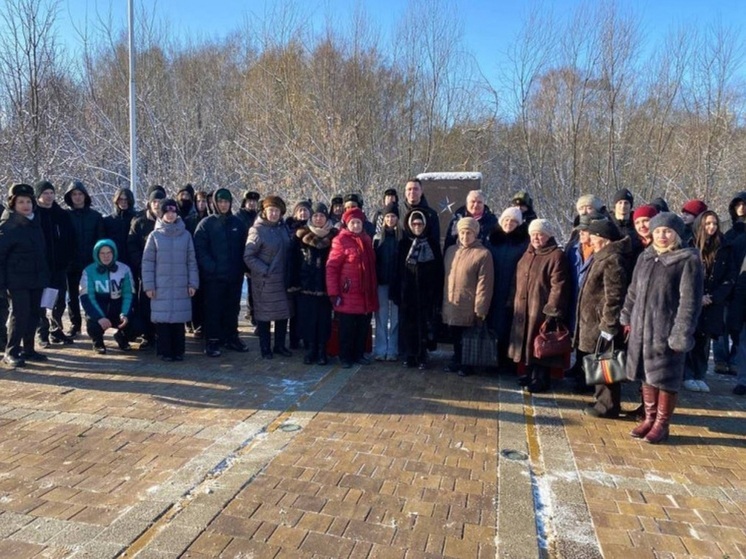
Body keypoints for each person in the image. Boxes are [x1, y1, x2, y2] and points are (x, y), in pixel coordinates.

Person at [621, 213, 703, 444]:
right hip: (641, 330)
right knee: (647, 375)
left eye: (667, 231)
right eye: (658, 231)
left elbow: (690, 302)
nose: (662, 235)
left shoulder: (687, 260)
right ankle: (649, 418)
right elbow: (633, 291)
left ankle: (662, 424)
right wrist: (627, 315)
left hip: (666, 332)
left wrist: (680, 334)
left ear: (676, 234)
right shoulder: (646, 257)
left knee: (666, 378)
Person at [575, 219, 631, 418]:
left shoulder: (612, 259)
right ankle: (602, 401)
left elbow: (614, 295)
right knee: (598, 361)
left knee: (605, 362)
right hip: (594, 321)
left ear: (604, 239)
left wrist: (608, 324)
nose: (590, 240)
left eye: (593, 237)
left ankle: (607, 406)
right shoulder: (602, 256)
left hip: (603, 323)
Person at [508, 219, 570, 393]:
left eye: (540, 234)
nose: (536, 237)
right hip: (524, 306)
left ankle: (541, 379)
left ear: (548, 236)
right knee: (527, 343)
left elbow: (559, 285)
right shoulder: (527, 253)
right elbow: (517, 279)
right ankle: (528, 374)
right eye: (533, 234)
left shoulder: (556, 256)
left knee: (541, 345)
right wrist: (512, 300)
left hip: (541, 308)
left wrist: (552, 309)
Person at [141, 199, 199, 361]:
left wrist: (193, 283)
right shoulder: (154, 236)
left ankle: (179, 351)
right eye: (167, 212)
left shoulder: (186, 235)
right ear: (161, 214)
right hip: (161, 286)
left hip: (181, 285)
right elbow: (147, 263)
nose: (171, 215)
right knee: (163, 320)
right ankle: (164, 351)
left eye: (173, 212)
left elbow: (191, 261)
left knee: (179, 320)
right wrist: (149, 286)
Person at [194, 188, 250, 357]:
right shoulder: (206, 224)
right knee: (213, 309)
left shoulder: (238, 224)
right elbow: (200, 250)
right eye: (220, 202)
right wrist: (212, 268)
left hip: (234, 276)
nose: (224, 205)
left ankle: (231, 337)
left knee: (232, 309)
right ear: (215, 203)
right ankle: (212, 341)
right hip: (213, 278)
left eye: (226, 202)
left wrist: (242, 268)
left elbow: (245, 248)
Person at [683, 211, 734, 392]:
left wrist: (714, 297)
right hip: (693, 299)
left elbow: (729, 277)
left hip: (713, 302)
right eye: (708, 224)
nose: (711, 227)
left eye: (714, 223)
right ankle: (687, 374)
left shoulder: (724, 247)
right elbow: (685, 275)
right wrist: (698, 296)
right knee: (690, 336)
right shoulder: (690, 245)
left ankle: (700, 374)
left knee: (705, 340)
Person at [0, 184, 50, 367]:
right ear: (13, 204)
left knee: (34, 314)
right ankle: (11, 351)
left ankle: (29, 349)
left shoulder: (35, 222)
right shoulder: (8, 225)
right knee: (19, 315)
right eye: (21, 202)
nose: (25, 205)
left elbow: (41, 251)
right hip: (17, 280)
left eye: (28, 201)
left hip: (36, 278)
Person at [326, 207, 378, 368]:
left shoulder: (367, 239)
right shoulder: (340, 240)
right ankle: (345, 356)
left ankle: (359, 354)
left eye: (358, 222)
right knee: (347, 329)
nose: (356, 226)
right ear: (347, 224)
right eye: (353, 223)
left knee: (362, 327)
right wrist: (334, 292)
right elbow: (332, 268)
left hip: (365, 293)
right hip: (347, 292)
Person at [442, 217, 494, 377]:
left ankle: (467, 364)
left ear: (475, 234)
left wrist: (480, 308)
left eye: (469, 233)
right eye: (463, 232)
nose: (465, 236)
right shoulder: (451, 250)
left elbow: (484, 284)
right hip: (452, 302)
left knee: (468, 337)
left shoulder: (483, 254)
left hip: (469, 304)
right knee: (455, 335)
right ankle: (457, 359)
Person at [243, 195, 293, 359]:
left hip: (283, 279)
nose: (273, 214)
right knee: (264, 315)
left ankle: (279, 345)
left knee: (282, 313)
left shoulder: (283, 228)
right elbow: (248, 256)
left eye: (277, 211)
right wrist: (265, 270)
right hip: (265, 281)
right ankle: (265, 347)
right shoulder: (257, 230)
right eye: (271, 210)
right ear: (264, 211)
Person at [394, 209, 444, 369]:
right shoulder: (403, 244)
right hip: (407, 292)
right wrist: (397, 291)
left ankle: (423, 355)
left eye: (420, 223)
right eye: (414, 223)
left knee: (425, 324)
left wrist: (436, 293)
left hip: (426, 293)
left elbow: (439, 270)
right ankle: (410, 355)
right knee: (409, 325)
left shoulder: (432, 244)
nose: (417, 226)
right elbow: (397, 270)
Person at [288, 202, 336, 365]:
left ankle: (322, 350)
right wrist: (293, 283)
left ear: (326, 218)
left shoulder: (334, 236)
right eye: (315, 215)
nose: (318, 218)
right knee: (308, 319)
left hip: (326, 286)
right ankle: (311, 350)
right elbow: (292, 261)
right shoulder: (300, 235)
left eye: (321, 216)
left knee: (324, 320)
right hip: (306, 285)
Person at [35, 180, 76, 347]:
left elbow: (70, 238)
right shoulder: (34, 214)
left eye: (51, 192)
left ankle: (55, 329)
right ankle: (42, 332)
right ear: (38, 196)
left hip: (59, 266)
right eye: (45, 193)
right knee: (41, 302)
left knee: (58, 301)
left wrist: (68, 258)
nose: (49, 196)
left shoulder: (61, 214)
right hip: (40, 267)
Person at [487, 207, 529, 368]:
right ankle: (492, 358)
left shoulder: (523, 243)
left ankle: (508, 361)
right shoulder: (492, 239)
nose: (509, 223)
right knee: (493, 324)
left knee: (508, 326)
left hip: (512, 290)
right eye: (506, 220)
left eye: (513, 221)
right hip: (494, 287)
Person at [64, 180, 105, 338]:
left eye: (80, 194)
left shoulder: (95, 216)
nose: (77, 197)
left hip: (90, 263)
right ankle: (75, 325)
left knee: (90, 296)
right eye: (74, 194)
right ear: (70, 197)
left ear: (85, 196)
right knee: (72, 296)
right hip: (71, 263)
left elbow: (101, 240)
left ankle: (92, 324)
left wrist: (99, 261)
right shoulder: (65, 216)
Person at [79, 239, 135, 354]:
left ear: (114, 253)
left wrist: (125, 314)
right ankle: (98, 342)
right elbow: (87, 298)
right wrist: (99, 317)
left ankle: (122, 337)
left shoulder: (124, 269)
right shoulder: (88, 271)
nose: (106, 256)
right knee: (92, 323)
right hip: (100, 307)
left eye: (109, 253)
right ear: (97, 254)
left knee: (138, 324)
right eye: (102, 253)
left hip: (117, 308)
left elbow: (128, 294)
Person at [128, 189, 165, 349]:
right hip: (146, 270)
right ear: (149, 203)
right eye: (154, 201)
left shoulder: (170, 220)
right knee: (146, 304)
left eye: (160, 201)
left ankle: (162, 334)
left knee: (163, 303)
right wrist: (142, 264)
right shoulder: (140, 222)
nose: (157, 205)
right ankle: (148, 334)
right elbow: (132, 246)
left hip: (165, 271)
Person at [372, 202, 401, 362]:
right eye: (388, 216)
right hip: (381, 282)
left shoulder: (402, 237)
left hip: (396, 283)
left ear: (397, 218)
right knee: (381, 318)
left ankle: (393, 350)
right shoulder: (377, 239)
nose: (390, 219)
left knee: (396, 318)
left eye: (393, 216)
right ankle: (381, 349)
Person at [103, 187, 137, 269]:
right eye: (120, 199)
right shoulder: (108, 221)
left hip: (133, 262)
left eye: (126, 199)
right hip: (114, 262)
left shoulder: (137, 219)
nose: (123, 202)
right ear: (116, 200)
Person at [402, 179, 440, 246]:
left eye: (415, 189)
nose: (412, 192)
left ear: (421, 191)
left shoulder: (431, 214)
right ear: (405, 192)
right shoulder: (398, 212)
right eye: (409, 189)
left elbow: (435, 242)